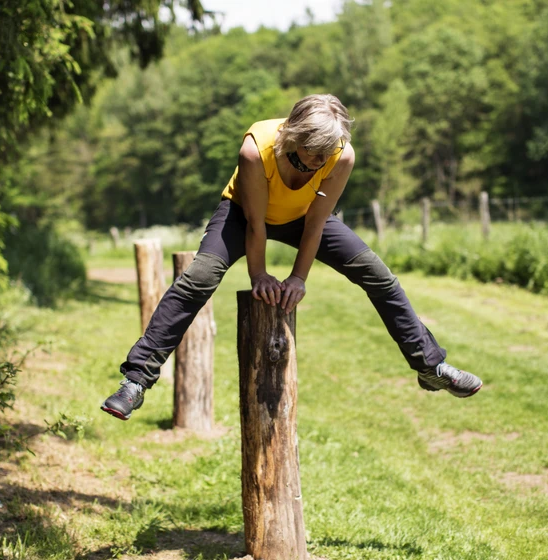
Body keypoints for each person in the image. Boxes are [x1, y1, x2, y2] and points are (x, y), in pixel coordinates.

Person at [101, 94, 482, 420]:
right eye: (312, 154)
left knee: (377, 274)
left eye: (326, 155)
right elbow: (254, 222)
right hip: (244, 213)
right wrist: (259, 275)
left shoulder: (341, 155)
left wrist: (298, 278)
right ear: (293, 137)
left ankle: (430, 367)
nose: (320, 162)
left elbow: (316, 222)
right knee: (199, 277)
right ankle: (136, 380)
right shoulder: (256, 147)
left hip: (303, 218)